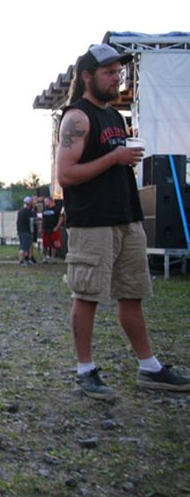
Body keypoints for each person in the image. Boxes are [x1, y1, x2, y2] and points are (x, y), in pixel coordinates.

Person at [56, 43, 190, 401]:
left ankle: (149, 367)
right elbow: (65, 174)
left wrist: (120, 159)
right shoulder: (77, 118)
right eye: (109, 72)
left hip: (126, 218)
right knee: (87, 295)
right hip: (93, 221)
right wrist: (114, 158)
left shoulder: (115, 117)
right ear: (88, 76)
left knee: (132, 293)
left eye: (119, 72)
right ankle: (85, 372)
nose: (117, 78)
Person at [40, 196, 63, 263]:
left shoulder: (57, 209)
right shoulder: (45, 210)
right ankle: (44, 257)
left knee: (54, 245)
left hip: (53, 229)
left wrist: (57, 227)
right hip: (45, 229)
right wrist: (41, 228)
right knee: (45, 245)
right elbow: (42, 219)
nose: (45, 203)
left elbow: (61, 218)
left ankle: (53, 258)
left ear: (50, 201)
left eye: (46, 201)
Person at [16, 196, 35, 266]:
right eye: (31, 202)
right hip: (26, 231)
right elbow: (31, 223)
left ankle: (26, 260)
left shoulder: (20, 211)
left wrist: (18, 230)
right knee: (23, 247)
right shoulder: (29, 212)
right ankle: (21, 261)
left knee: (26, 246)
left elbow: (18, 222)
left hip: (21, 231)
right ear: (29, 203)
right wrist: (32, 232)